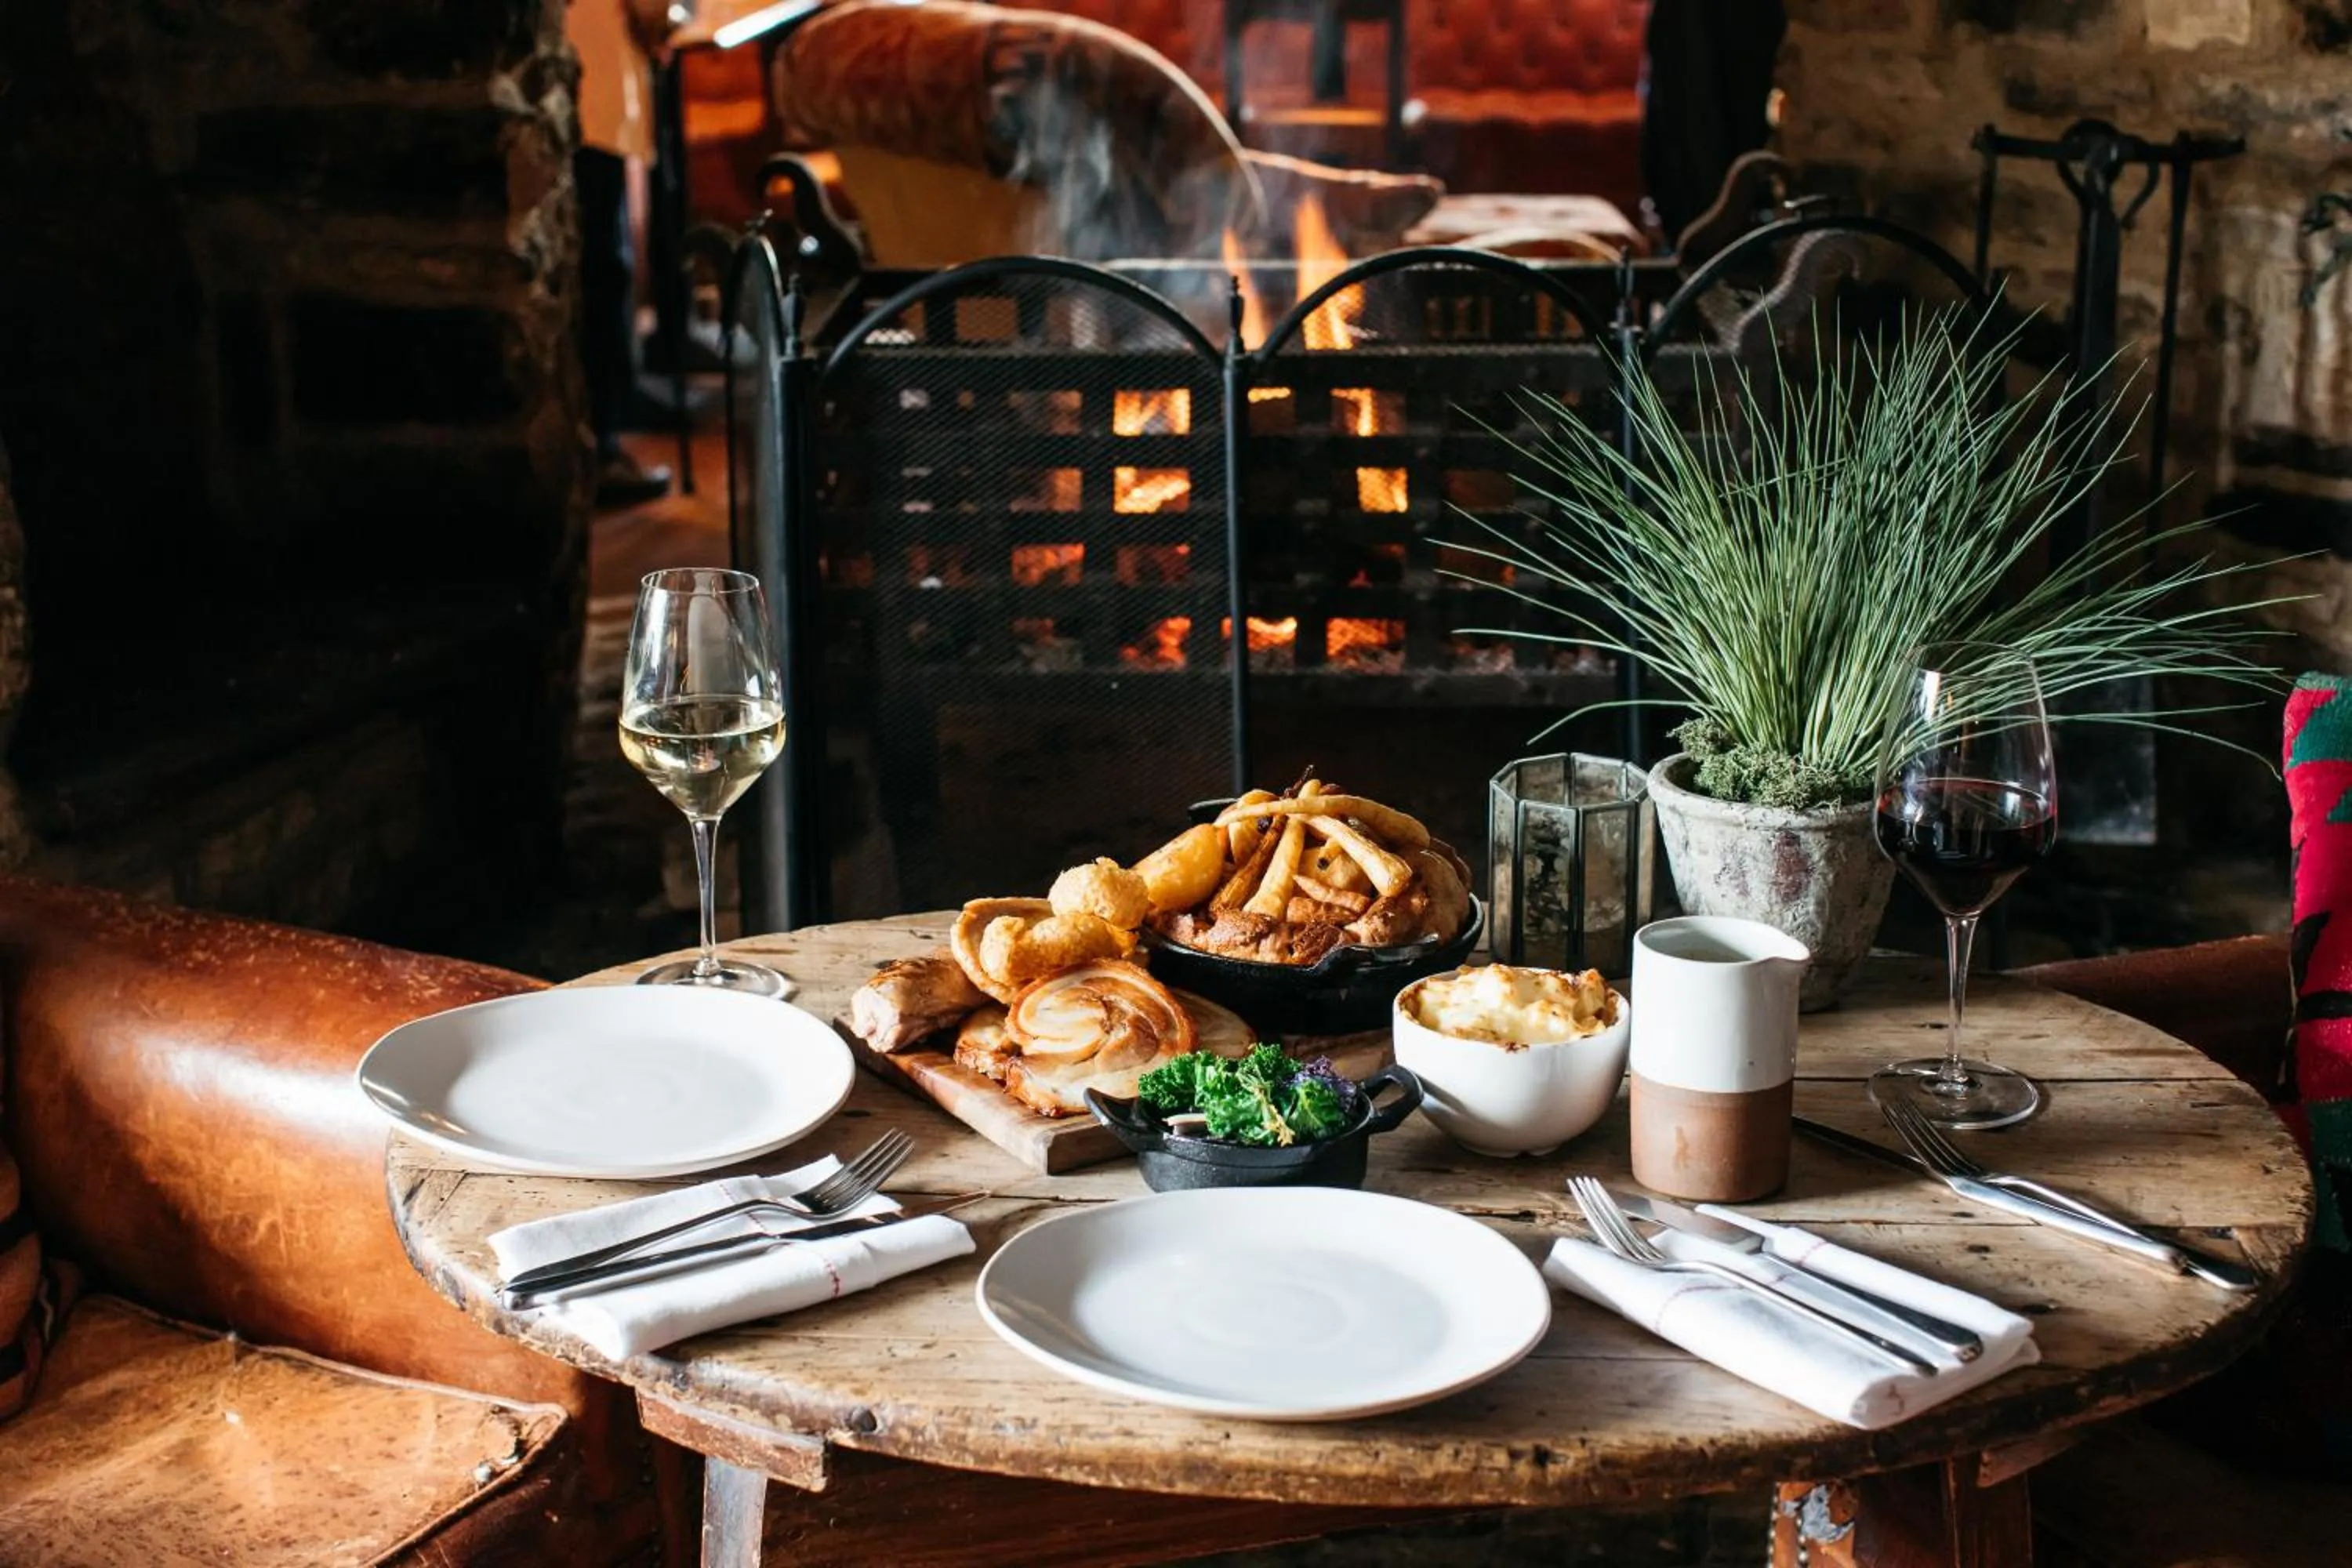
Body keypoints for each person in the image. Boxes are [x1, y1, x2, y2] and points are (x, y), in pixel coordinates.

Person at [568, 0, 679, 508]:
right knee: (602, 270)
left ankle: (598, 435)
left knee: (599, 265)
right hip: (591, 76)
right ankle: (602, 446)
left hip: (583, 70)